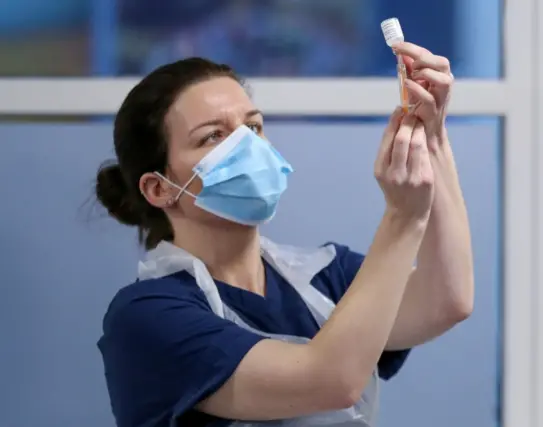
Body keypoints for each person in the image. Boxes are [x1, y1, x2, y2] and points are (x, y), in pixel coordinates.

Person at [96, 41, 474, 427]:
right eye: (212, 136)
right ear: (159, 188)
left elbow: (445, 301)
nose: (246, 146)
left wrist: (432, 135)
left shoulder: (326, 277)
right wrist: (403, 218)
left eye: (253, 126)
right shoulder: (147, 318)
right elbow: (328, 381)